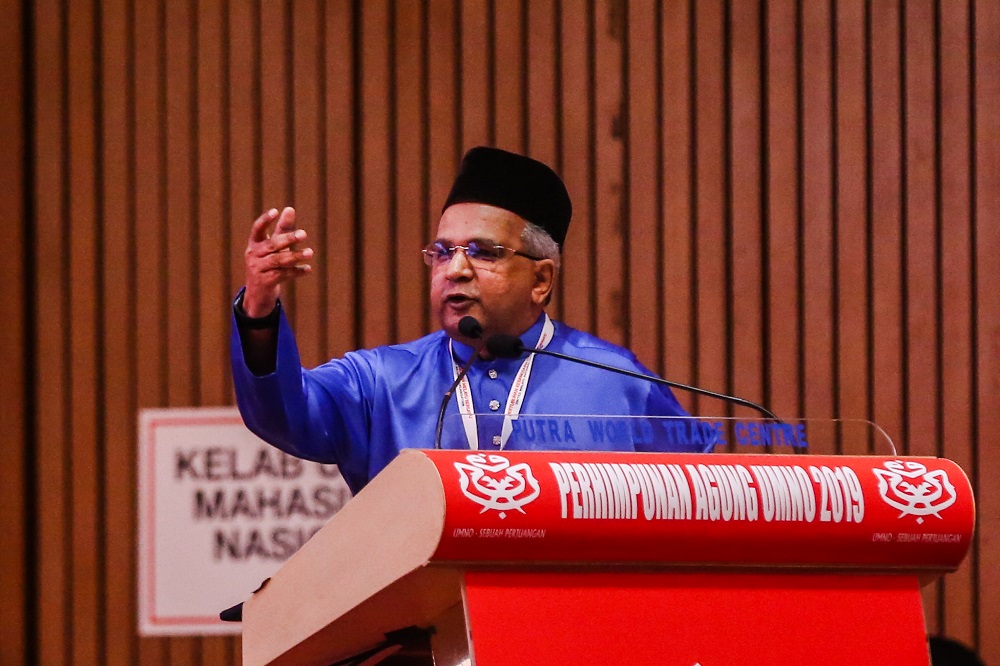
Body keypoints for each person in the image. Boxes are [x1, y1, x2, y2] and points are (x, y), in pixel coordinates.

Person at [231, 146, 709, 495]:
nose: (455, 268)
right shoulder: (380, 382)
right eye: (442, 252)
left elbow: (703, 497)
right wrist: (258, 307)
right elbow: (281, 414)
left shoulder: (615, 382)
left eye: (483, 252)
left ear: (541, 280)